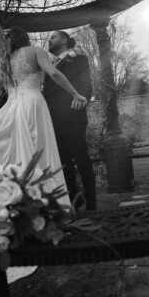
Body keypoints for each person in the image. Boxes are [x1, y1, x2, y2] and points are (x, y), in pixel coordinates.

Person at [0, 27, 88, 207]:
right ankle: (50, 205)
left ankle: (24, 204)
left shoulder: (3, 60)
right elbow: (53, 73)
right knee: (40, 152)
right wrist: (75, 94)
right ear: (25, 39)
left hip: (12, 107)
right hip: (32, 103)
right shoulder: (36, 51)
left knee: (20, 154)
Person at [44, 31, 96, 210]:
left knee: (81, 160)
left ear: (64, 40)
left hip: (73, 116)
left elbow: (87, 84)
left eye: (53, 37)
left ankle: (92, 202)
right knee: (63, 163)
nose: (49, 40)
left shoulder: (79, 59)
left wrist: (83, 98)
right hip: (53, 120)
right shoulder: (48, 65)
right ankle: (74, 199)